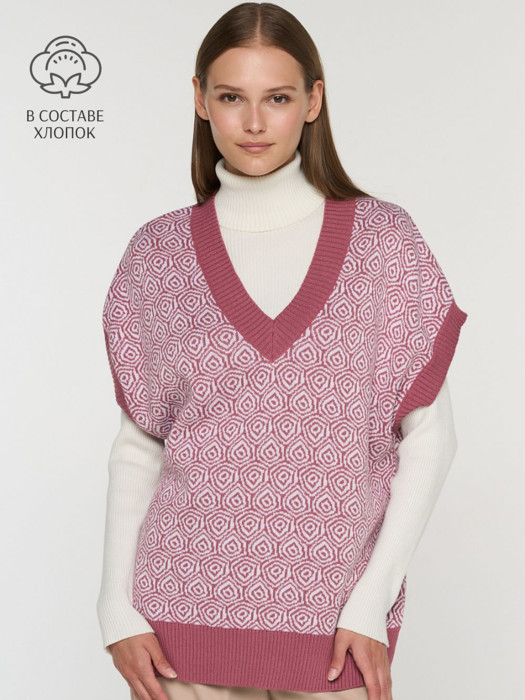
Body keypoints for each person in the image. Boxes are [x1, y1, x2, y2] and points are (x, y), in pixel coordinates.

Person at [96, 4, 468, 700]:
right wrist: (115, 607)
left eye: (277, 98)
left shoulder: (385, 244)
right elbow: (140, 445)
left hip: (335, 628)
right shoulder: (157, 254)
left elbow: (430, 438)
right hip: (177, 622)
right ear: (200, 99)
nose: (254, 122)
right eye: (231, 97)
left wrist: (371, 601)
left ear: (313, 101)